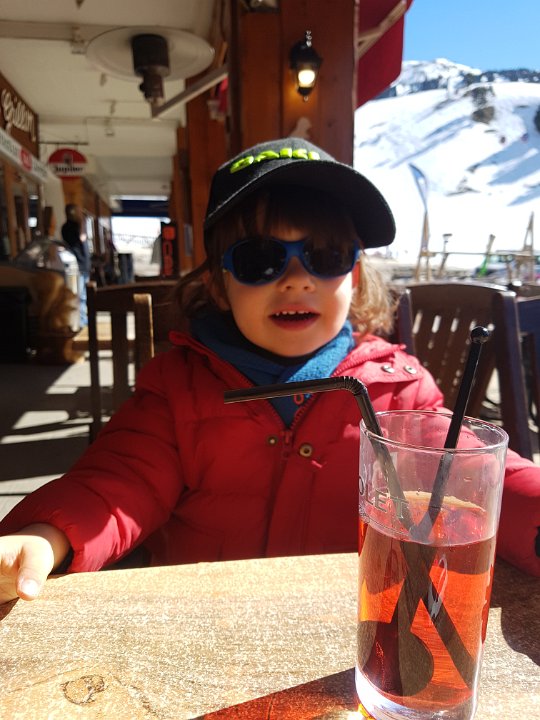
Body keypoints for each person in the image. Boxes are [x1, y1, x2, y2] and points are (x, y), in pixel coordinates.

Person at [0, 137, 538, 605]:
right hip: (199, 626)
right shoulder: (177, 387)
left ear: (354, 275)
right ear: (218, 285)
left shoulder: (401, 389)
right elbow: (119, 481)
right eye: (260, 259)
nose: (297, 279)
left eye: (325, 255)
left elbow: (479, 477)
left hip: (345, 631)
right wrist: (47, 535)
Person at [61, 203, 91, 327]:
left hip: (82, 265)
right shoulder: (70, 227)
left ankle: (82, 319)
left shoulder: (67, 227)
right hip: (78, 265)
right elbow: (82, 237)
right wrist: (83, 222)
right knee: (80, 295)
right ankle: (82, 321)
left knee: (82, 294)